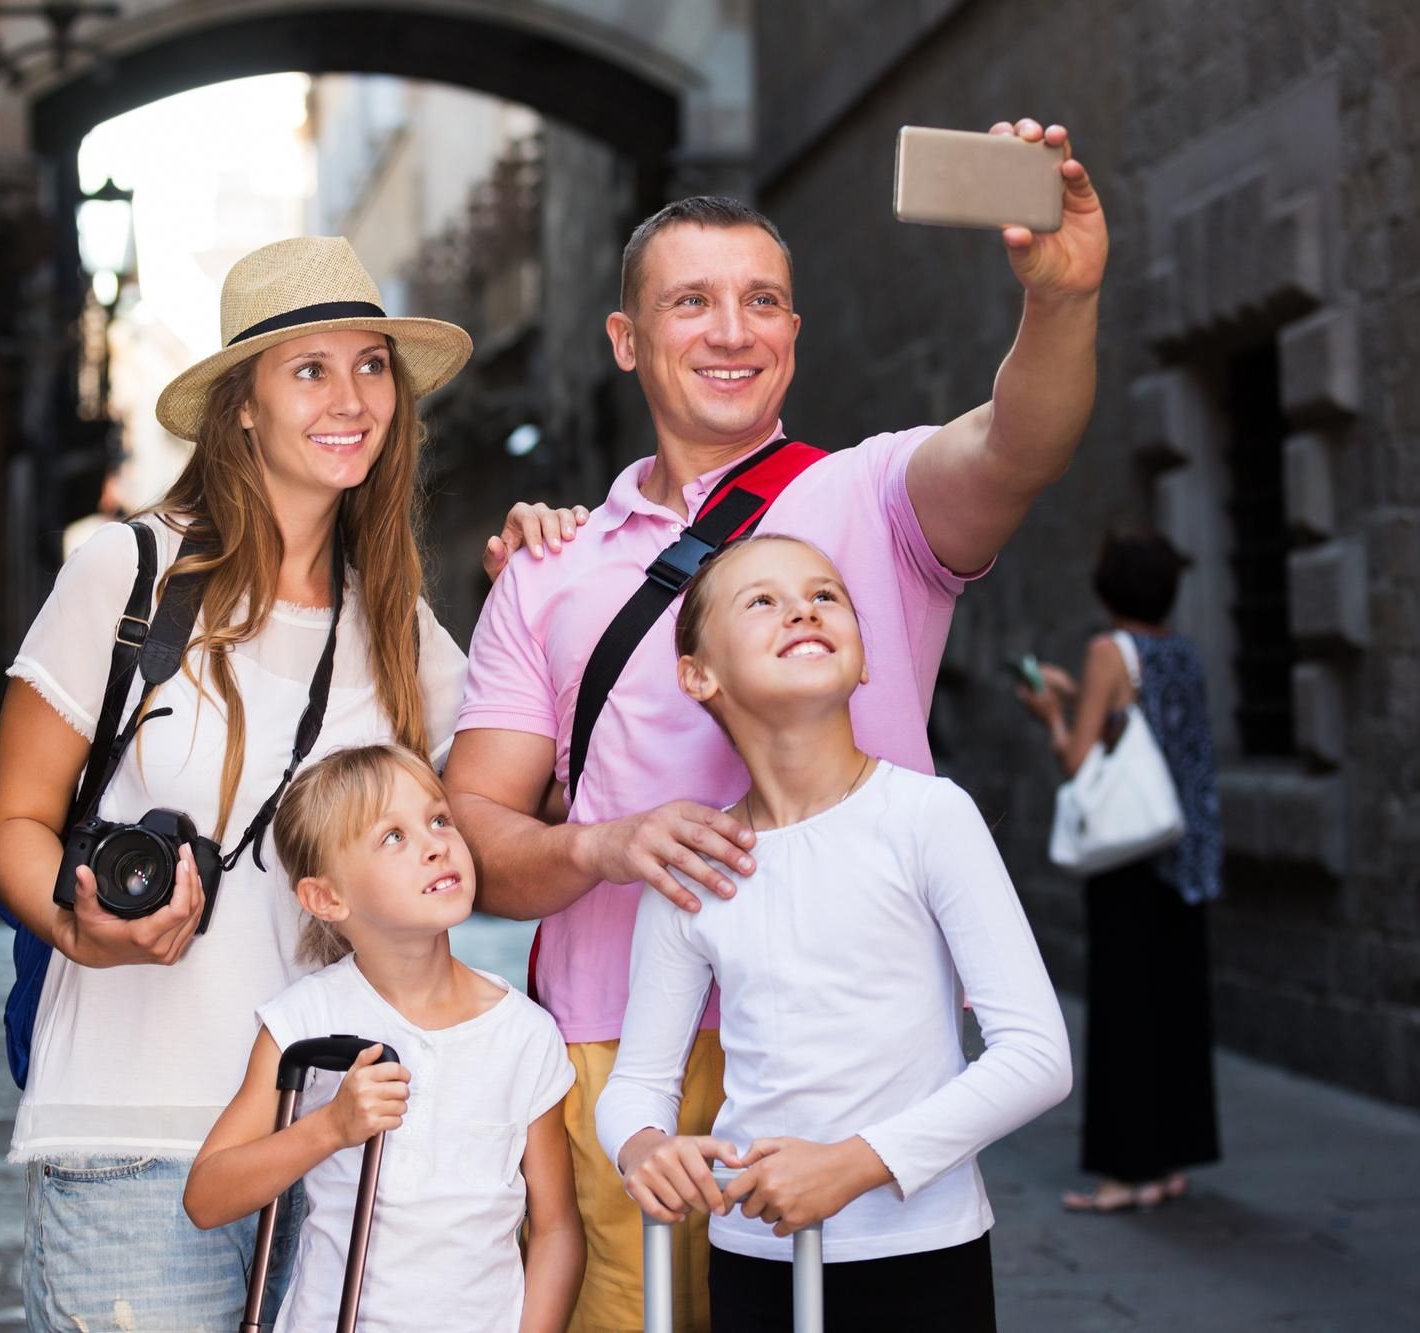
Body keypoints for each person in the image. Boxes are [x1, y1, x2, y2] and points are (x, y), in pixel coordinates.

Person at [445, 118, 1107, 1331]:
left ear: (795, 332)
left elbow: (1019, 443)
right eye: (690, 303)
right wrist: (604, 845)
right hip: (614, 1047)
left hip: (844, 1048)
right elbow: (473, 840)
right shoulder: (548, 568)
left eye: (762, 301)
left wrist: (1059, 302)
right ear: (625, 340)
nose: (731, 330)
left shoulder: (866, 492)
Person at [0, 236, 582, 1331]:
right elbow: (10, 817)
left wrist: (547, 589)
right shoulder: (129, 574)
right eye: (308, 368)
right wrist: (82, 931)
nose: (350, 397)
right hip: (139, 1138)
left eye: (370, 365)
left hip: (335, 1158)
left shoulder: (393, 623)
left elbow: (521, 795)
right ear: (241, 405)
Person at [599, 534, 1072, 1332]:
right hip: (755, 1257)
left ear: (861, 662)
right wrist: (643, 1145)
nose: (802, 609)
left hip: (922, 1249)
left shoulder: (926, 817)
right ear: (698, 674)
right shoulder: (699, 863)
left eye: (826, 595)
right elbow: (640, 1081)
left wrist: (852, 1166)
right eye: (762, 600)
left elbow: (1037, 1056)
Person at [185, 743, 584, 1332]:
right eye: (393, 837)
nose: (435, 844)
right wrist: (330, 1127)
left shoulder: (524, 1033)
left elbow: (556, 1228)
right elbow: (208, 1196)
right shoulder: (306, 1021)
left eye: (439, 819)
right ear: (327, 898)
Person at [1016, 531, 1222, 1212]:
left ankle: (1122, 1175)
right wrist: (1089, 702)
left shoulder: (1109, 650)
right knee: (1174, 1011)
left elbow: (1082, 766)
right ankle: (1167, 1163)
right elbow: (1145, 738)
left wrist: (1051, 713)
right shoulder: (1182, 651)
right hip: (1185, 855)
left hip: (1130, 861)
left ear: (1107, 591)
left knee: (1125, 1012)